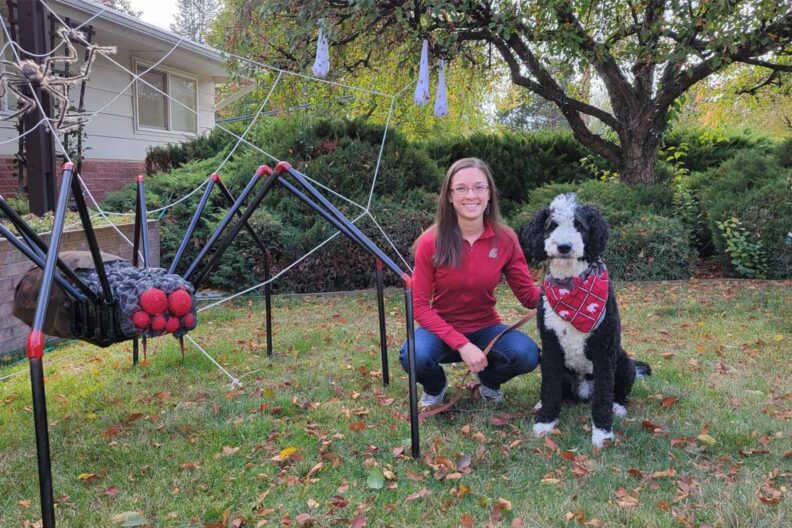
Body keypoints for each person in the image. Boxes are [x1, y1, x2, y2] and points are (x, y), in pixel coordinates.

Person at [399, 157, 541, 407]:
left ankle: (488, 380)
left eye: (478, 187)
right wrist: (462, 344)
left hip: (486, 327)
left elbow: (528, 296)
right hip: (441, 329)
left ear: (489, 194)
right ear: (450, 196)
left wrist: (566, 288)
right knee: (413, 355)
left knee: (527, 355)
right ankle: (435, 386)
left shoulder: (506, 238)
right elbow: (419, 305)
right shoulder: (430, 241)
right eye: (461, 188)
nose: (470, 195)